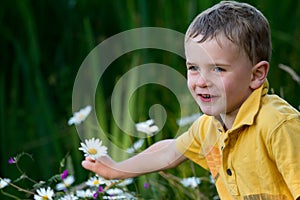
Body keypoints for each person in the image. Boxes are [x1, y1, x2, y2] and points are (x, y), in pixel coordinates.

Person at [82, 1, 300, 199]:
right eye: (193, 68)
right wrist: (117, 170)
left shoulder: (278, 125)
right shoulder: (208, 128)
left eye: (218, 69)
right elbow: (169, 152)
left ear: (256, 75)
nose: (202, 81)